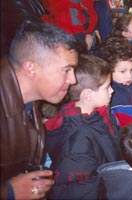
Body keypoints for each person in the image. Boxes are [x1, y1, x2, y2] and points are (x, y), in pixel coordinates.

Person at [1, 21, 78, 200]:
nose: (73, 80)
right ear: (31, 68)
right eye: (67, 70)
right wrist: (8, 192)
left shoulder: (31, 102)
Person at [44, 54, 122, 199]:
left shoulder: (98, 114)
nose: (112, 91)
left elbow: (111, 138)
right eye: (107, 87)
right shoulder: (79, 141)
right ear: (87, 95)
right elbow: (80, 190)